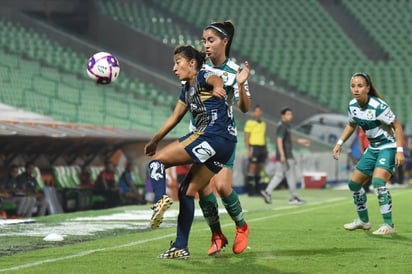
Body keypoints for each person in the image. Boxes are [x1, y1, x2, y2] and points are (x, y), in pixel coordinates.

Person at [145, 45, 236, 259]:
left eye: (178, 62)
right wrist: (155, 140)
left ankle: (159, 199)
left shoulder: (203, 75)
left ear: (192, 63)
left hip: (210, 136)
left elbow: (216, 80)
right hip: (225, 145)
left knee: (156, 163)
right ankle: (180, 246)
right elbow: (175, 117)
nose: (174, 68)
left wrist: (217, 88)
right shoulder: (186, 88)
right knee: (187, 191)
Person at [197, 20, 251, 256]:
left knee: (222, 186)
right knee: (202, 188)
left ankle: (241, 226)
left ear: (224, 42)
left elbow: (245, 107)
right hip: (199, 134)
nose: (206, 45)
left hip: (223, 135)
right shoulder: (199, 67)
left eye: (211, 40)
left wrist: (241, 84)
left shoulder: (235, 71)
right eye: (204, 41)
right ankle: (217, 235)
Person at [332, 72, 405, 235]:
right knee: (354, 184)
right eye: (353, 86)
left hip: (388, 147)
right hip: (372, 149)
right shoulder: (352, 106)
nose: (356, 89)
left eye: (360, 86)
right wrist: (339, 143)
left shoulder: (378, 106)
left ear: (368, 88)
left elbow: (397, 126)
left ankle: (389, 224)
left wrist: (399, 151)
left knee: (378, 182)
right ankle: (364, 221)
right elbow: (351, 125)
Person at [260, 107, 310, 204]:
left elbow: (287, 139)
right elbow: (279, 141)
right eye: (288, 114)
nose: (290, 116)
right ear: (282, 115)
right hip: (285, 155)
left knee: (279, 175)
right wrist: (283, 155)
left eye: (291, 114)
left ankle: (267, 192)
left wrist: (300, 141)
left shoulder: (285, 126)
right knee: (291, 176)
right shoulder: (282, 126)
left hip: (285, 154)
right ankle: (293, 197)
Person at [244, 105, 267, 197]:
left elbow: (264, 137)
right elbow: (246, 137)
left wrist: (266, 150)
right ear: (254, 113)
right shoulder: (250, 123)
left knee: (259, 168)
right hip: (254, 147)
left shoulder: (263, 123)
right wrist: (248, 149)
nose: (258, 113)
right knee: (252, 168)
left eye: (260, 111)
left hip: (262, 147)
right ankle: (250, 191)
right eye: (256, 111)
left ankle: (258, 190)